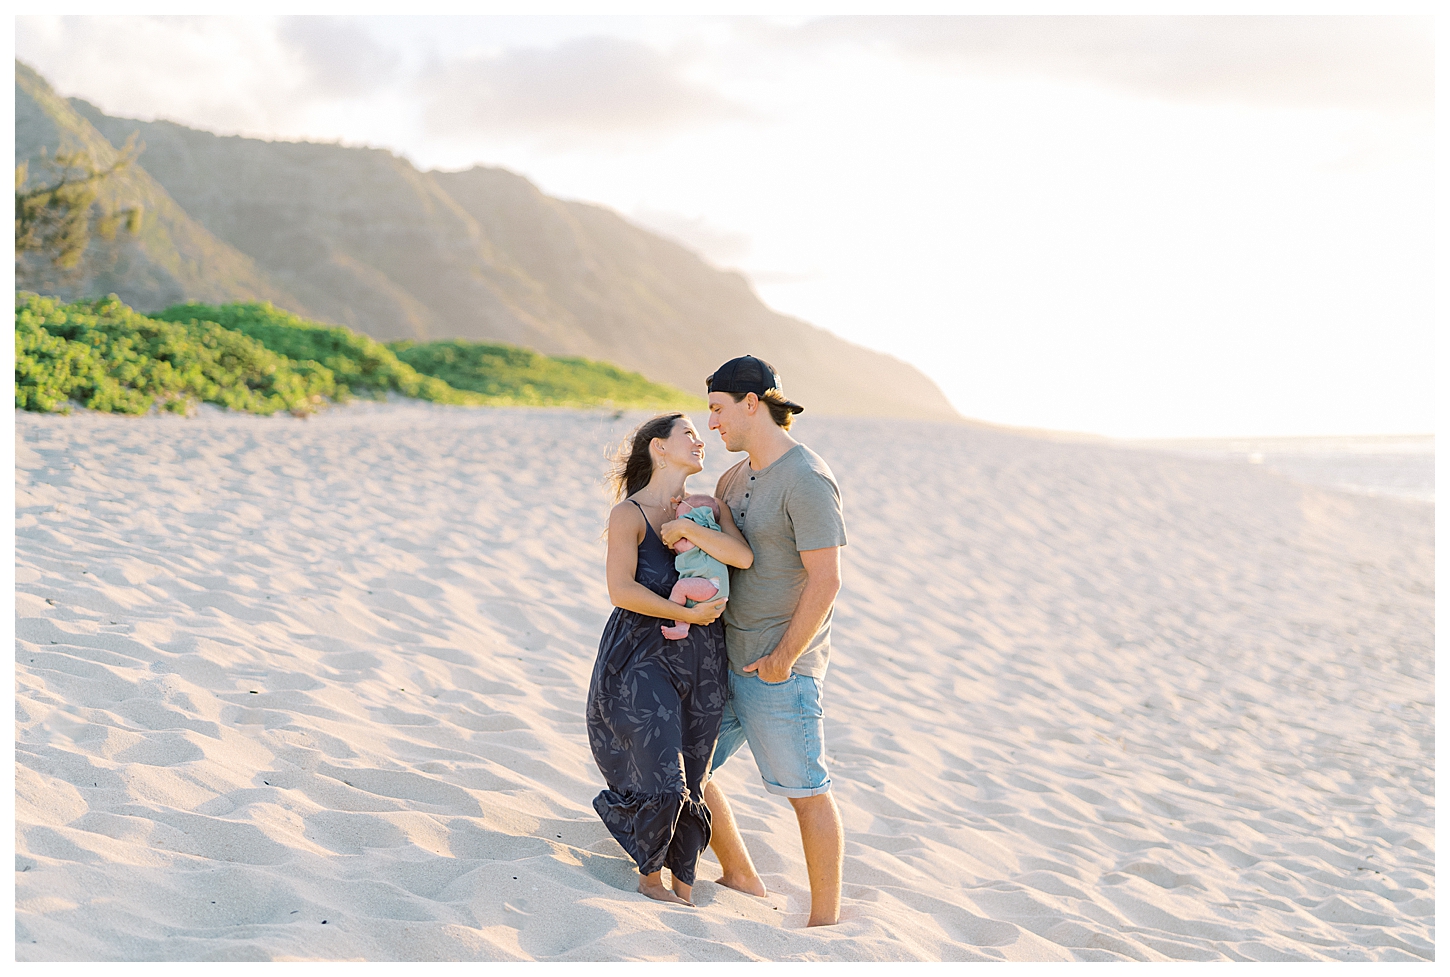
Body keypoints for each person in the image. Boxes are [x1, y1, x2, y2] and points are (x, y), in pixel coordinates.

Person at [697, 355, 848, 927]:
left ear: (752, 403)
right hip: (724, 656)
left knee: (805, 790)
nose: (712, 423)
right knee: (689, 769)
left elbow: (826, 578)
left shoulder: (806, 478)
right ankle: (740, 873)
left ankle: (826, 924)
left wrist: (784, 658)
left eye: (717, 409)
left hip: (777, 668)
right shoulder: (733, 478)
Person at [586, 412, 754, 906]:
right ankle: (649, 881)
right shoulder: (629, 515)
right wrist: (691, 615)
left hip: (702, 661)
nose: (701, 441)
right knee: (664, 777)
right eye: (689, 434)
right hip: (640, 656)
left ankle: (683, 885)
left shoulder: (712, 507)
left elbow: (741, 558)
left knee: (695, 777)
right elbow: (620, 591)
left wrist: (688, 525)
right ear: (658, 448)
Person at [660, 494, 731, 640]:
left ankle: (680, 625)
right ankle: (682, 623)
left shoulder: (696, 533)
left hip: (711, 584)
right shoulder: (712, 534)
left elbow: (682, 545)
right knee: (685, 592)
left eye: (679, 516)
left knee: (681, 587)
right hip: (711, 585)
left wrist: (670, 537)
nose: (676, 519)